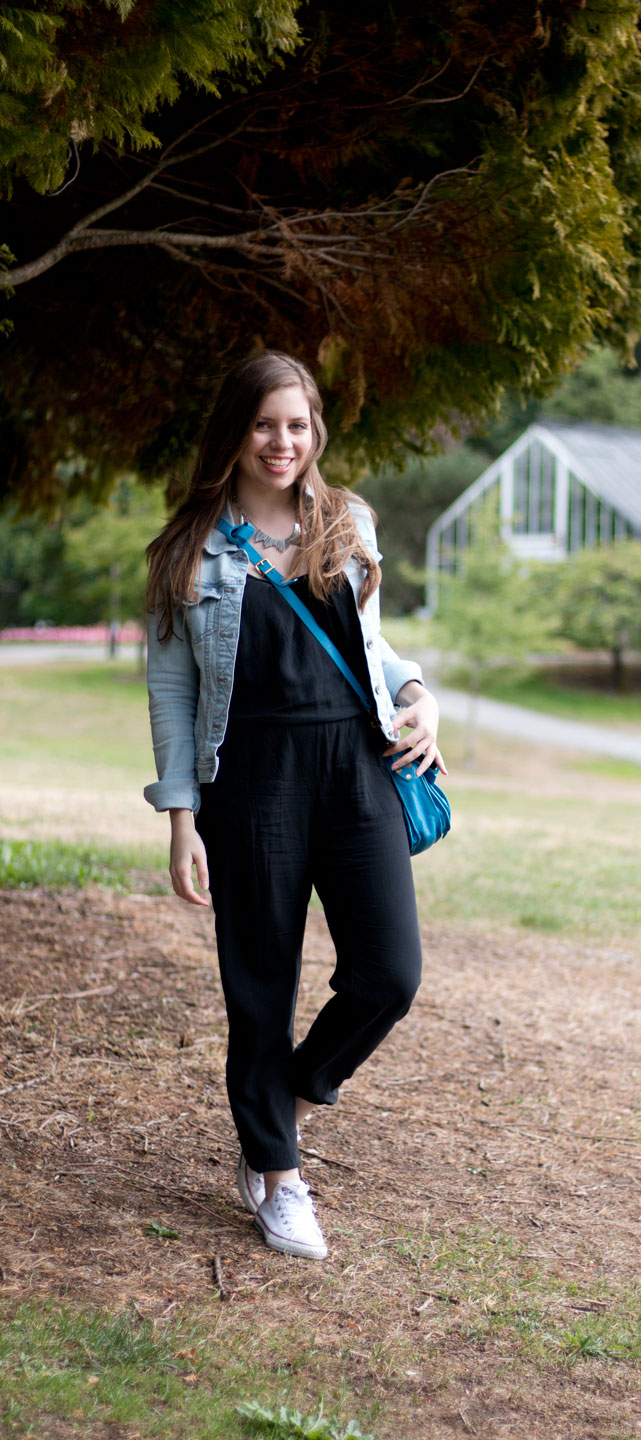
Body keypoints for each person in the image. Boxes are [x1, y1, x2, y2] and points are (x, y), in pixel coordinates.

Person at [144, 350, 445, 1261]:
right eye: (267, 423)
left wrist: (421, 691)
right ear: (235, 429)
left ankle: (285, 1105)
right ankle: (278, 1177)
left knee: (390, 974)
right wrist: (181, 818)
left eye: (299, 425)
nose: (284, 442)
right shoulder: (189, 550)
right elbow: (172, 690)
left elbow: (368, 641)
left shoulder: (346, 521)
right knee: (260, 985)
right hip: (253, 778)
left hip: (358, 765)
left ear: (316, 434)